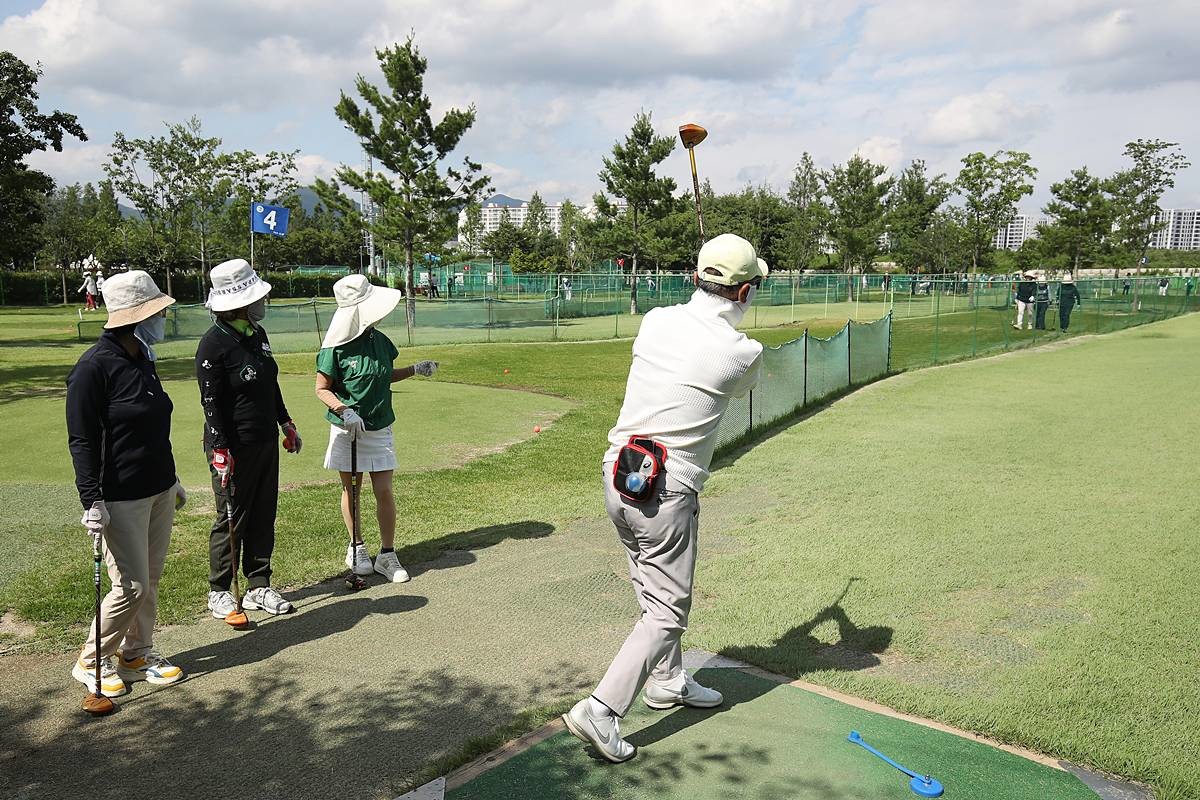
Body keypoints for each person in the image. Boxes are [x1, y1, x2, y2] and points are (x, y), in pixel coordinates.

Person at [562, 233, 766, 763]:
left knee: (652, 592)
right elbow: (736, 379)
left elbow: (691, 330)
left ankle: (668, 681)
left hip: (619, 473)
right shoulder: (743, 352)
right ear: (744, 293)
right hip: (666, 489)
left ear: (695, 277)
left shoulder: (655, 320)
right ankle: (602, 709)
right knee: (667, 611)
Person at [66, 270, 187, 697]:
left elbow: (154, 426)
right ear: (134, 317)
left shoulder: (143, 357)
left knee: (149, 580)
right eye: (156, 312)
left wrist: (172, 480)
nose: (161, 320)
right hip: (118, 495)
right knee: (130, 585)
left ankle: (136, 652)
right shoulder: (93, 369)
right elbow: (82, 440)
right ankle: (92, 658)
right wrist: (91, 501)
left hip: (156, 487)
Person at [315, 274, 439, 583]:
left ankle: (387, 554)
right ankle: (356, 546)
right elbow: (321, 388)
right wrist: (344, 411)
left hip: (380, 426)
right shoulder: (335, 347)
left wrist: (414, 369)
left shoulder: (380, 340)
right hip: (348, 431)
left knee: (383, 490)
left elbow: (383, 375)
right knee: (352, 490)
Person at [196, 259, 301, 620]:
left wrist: (285, 421)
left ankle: (259, 584)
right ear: (238, 303)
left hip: (264, 440)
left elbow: (269, 384)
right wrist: (221, 449)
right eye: (257, 299)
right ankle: (220, 591)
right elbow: (209, 402)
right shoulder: (213, 345)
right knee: (232, 516)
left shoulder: (258, 334)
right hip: (231, 445)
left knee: (262, 512)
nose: (262, 304)